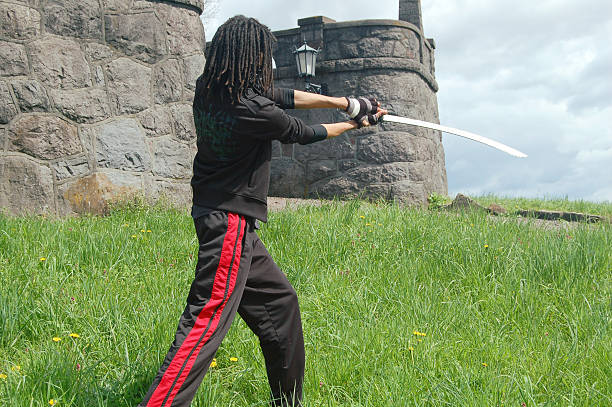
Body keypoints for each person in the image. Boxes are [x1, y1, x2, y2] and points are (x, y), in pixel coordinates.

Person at [139, 15, 386, 407]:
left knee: (281, 305)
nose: (267, 64)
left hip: (219, 217)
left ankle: (286, 403)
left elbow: (284, 95)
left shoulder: (211, 89)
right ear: (250, 57)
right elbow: (304, 132)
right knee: (203, 324)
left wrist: (345, 103)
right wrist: (356, 124)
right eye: (263, 56)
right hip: (229, 226)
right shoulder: (253, 110)